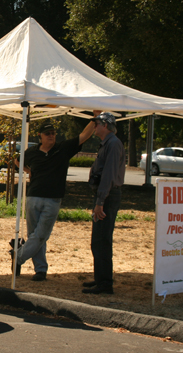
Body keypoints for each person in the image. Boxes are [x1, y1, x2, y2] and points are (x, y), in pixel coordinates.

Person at [12, 112, 101, 281]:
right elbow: (17, 161)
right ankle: (40, 270)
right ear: (40, 136)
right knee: (34, 235)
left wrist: (94, 120)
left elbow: (83, 136)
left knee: (41, 235)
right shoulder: (32, 152)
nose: (51, 136)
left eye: (53, 133)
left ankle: (18, 256)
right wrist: (28, 171)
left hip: (53, 199)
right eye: (47, 133)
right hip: (33, 197)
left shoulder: (62, 149)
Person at [82, 112, 126, 294]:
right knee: (97, 240)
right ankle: (100, 278)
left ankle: (105, 283)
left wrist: (100, 201)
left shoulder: (113, 144)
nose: (94, 127)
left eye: (97, 123)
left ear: (105, 125)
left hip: (107, 197)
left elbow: (108, 175)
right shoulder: (108, 143)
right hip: (105, 196)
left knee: (102, 240)